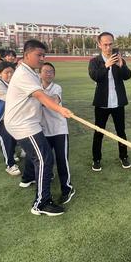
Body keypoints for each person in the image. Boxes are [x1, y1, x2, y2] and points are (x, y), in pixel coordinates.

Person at [4, 39, 73, 216]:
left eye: (44, 55)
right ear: (26, 55)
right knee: (44, 158)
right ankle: (41, 203)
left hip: (27, 123)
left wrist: (57, 105)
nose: (42, 58)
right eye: (38, 55)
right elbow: (40, 96)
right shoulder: (24, 74)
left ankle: (28, 179)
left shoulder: (31, 72)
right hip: (22, 124)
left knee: (41, 156)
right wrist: (60, 109)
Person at [88, 32, 131, 172]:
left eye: (110, 44)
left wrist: (121, 65)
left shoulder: (119, 59)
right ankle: (96, 159)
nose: (108, 47)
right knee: (98, 133)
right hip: (102, 104)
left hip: (118, 103)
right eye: (105, 44)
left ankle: (123, 156)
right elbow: (95, 77)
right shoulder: (94, 62)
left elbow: (127, 76)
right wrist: (106, 65)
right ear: (99, 45)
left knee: (121, 132)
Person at [40, 62, 75, 205]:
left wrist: (41, 99)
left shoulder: (57, 87)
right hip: (42, 130)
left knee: (62, 160)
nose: (48, 74)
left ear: (54, 75)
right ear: (40, 73)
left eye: (51, 72)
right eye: (45, 71)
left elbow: (54, 100)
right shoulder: (36, 88)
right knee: (45, 161)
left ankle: (67, 189)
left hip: (59, 130)